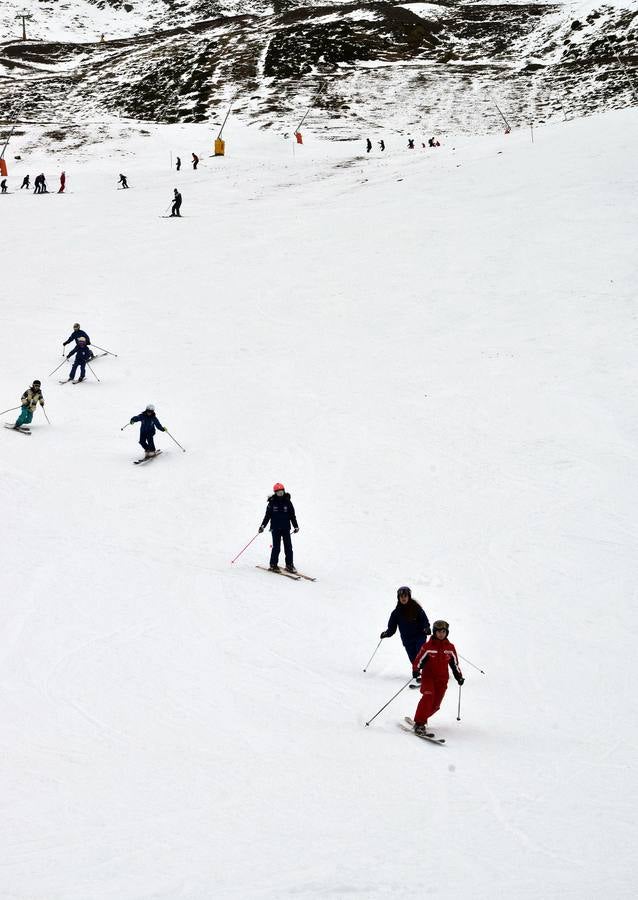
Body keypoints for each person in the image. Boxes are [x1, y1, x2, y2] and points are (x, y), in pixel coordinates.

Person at [412, 620, 464, 735]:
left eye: (444, 631)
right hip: (428, 677)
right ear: (434, 632)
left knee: (435, 706)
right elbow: (418, 660)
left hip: (442, 679)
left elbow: (455, 665)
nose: (441, 634)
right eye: (438, 631)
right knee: (428, 696)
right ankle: (420, 723)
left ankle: (422, 717)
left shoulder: (450, 648)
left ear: (447, 633)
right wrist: (416, 670)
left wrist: (459, 677)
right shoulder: (428, 646)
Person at [380, 587, 431, 679]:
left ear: (409, 597)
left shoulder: (416, 608)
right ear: (398, 598)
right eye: (401, 596)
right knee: (413, 659)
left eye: (405, 596)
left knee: (421, 654)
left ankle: (429, 674)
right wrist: (387, 633)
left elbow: (424, 620)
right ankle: (418, 673)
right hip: (407, 640)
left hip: (419, 636)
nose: (403, 598)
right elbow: (392, 628)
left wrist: (426, 628)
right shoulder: (396, 613)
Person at [259, 483, 299, 573]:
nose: (280, 494)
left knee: (288, 547)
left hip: (286, 528)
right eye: (278, 493)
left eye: (282, 492)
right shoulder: (272, 503)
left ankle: (289, 565)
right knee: (276, 547)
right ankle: (273, 565)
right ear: (275, 493)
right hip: (275, 529)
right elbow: (267, 516)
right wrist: (262, 526)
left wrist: (295, 526)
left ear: (284, 491)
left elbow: (292, 515)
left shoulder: (288, 502)